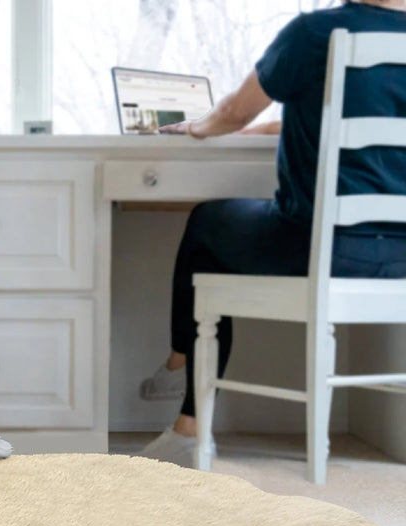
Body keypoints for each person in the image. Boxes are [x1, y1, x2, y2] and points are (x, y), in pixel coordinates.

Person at [139, 0, 406, 467]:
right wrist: (252, 132)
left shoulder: (316, 32)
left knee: (206, 222)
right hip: (397, 257)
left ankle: (183, 379)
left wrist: (199, 128)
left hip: (319, 249)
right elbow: (333, 118)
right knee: (217, 227)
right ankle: (182, 388)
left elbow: (235, 111)